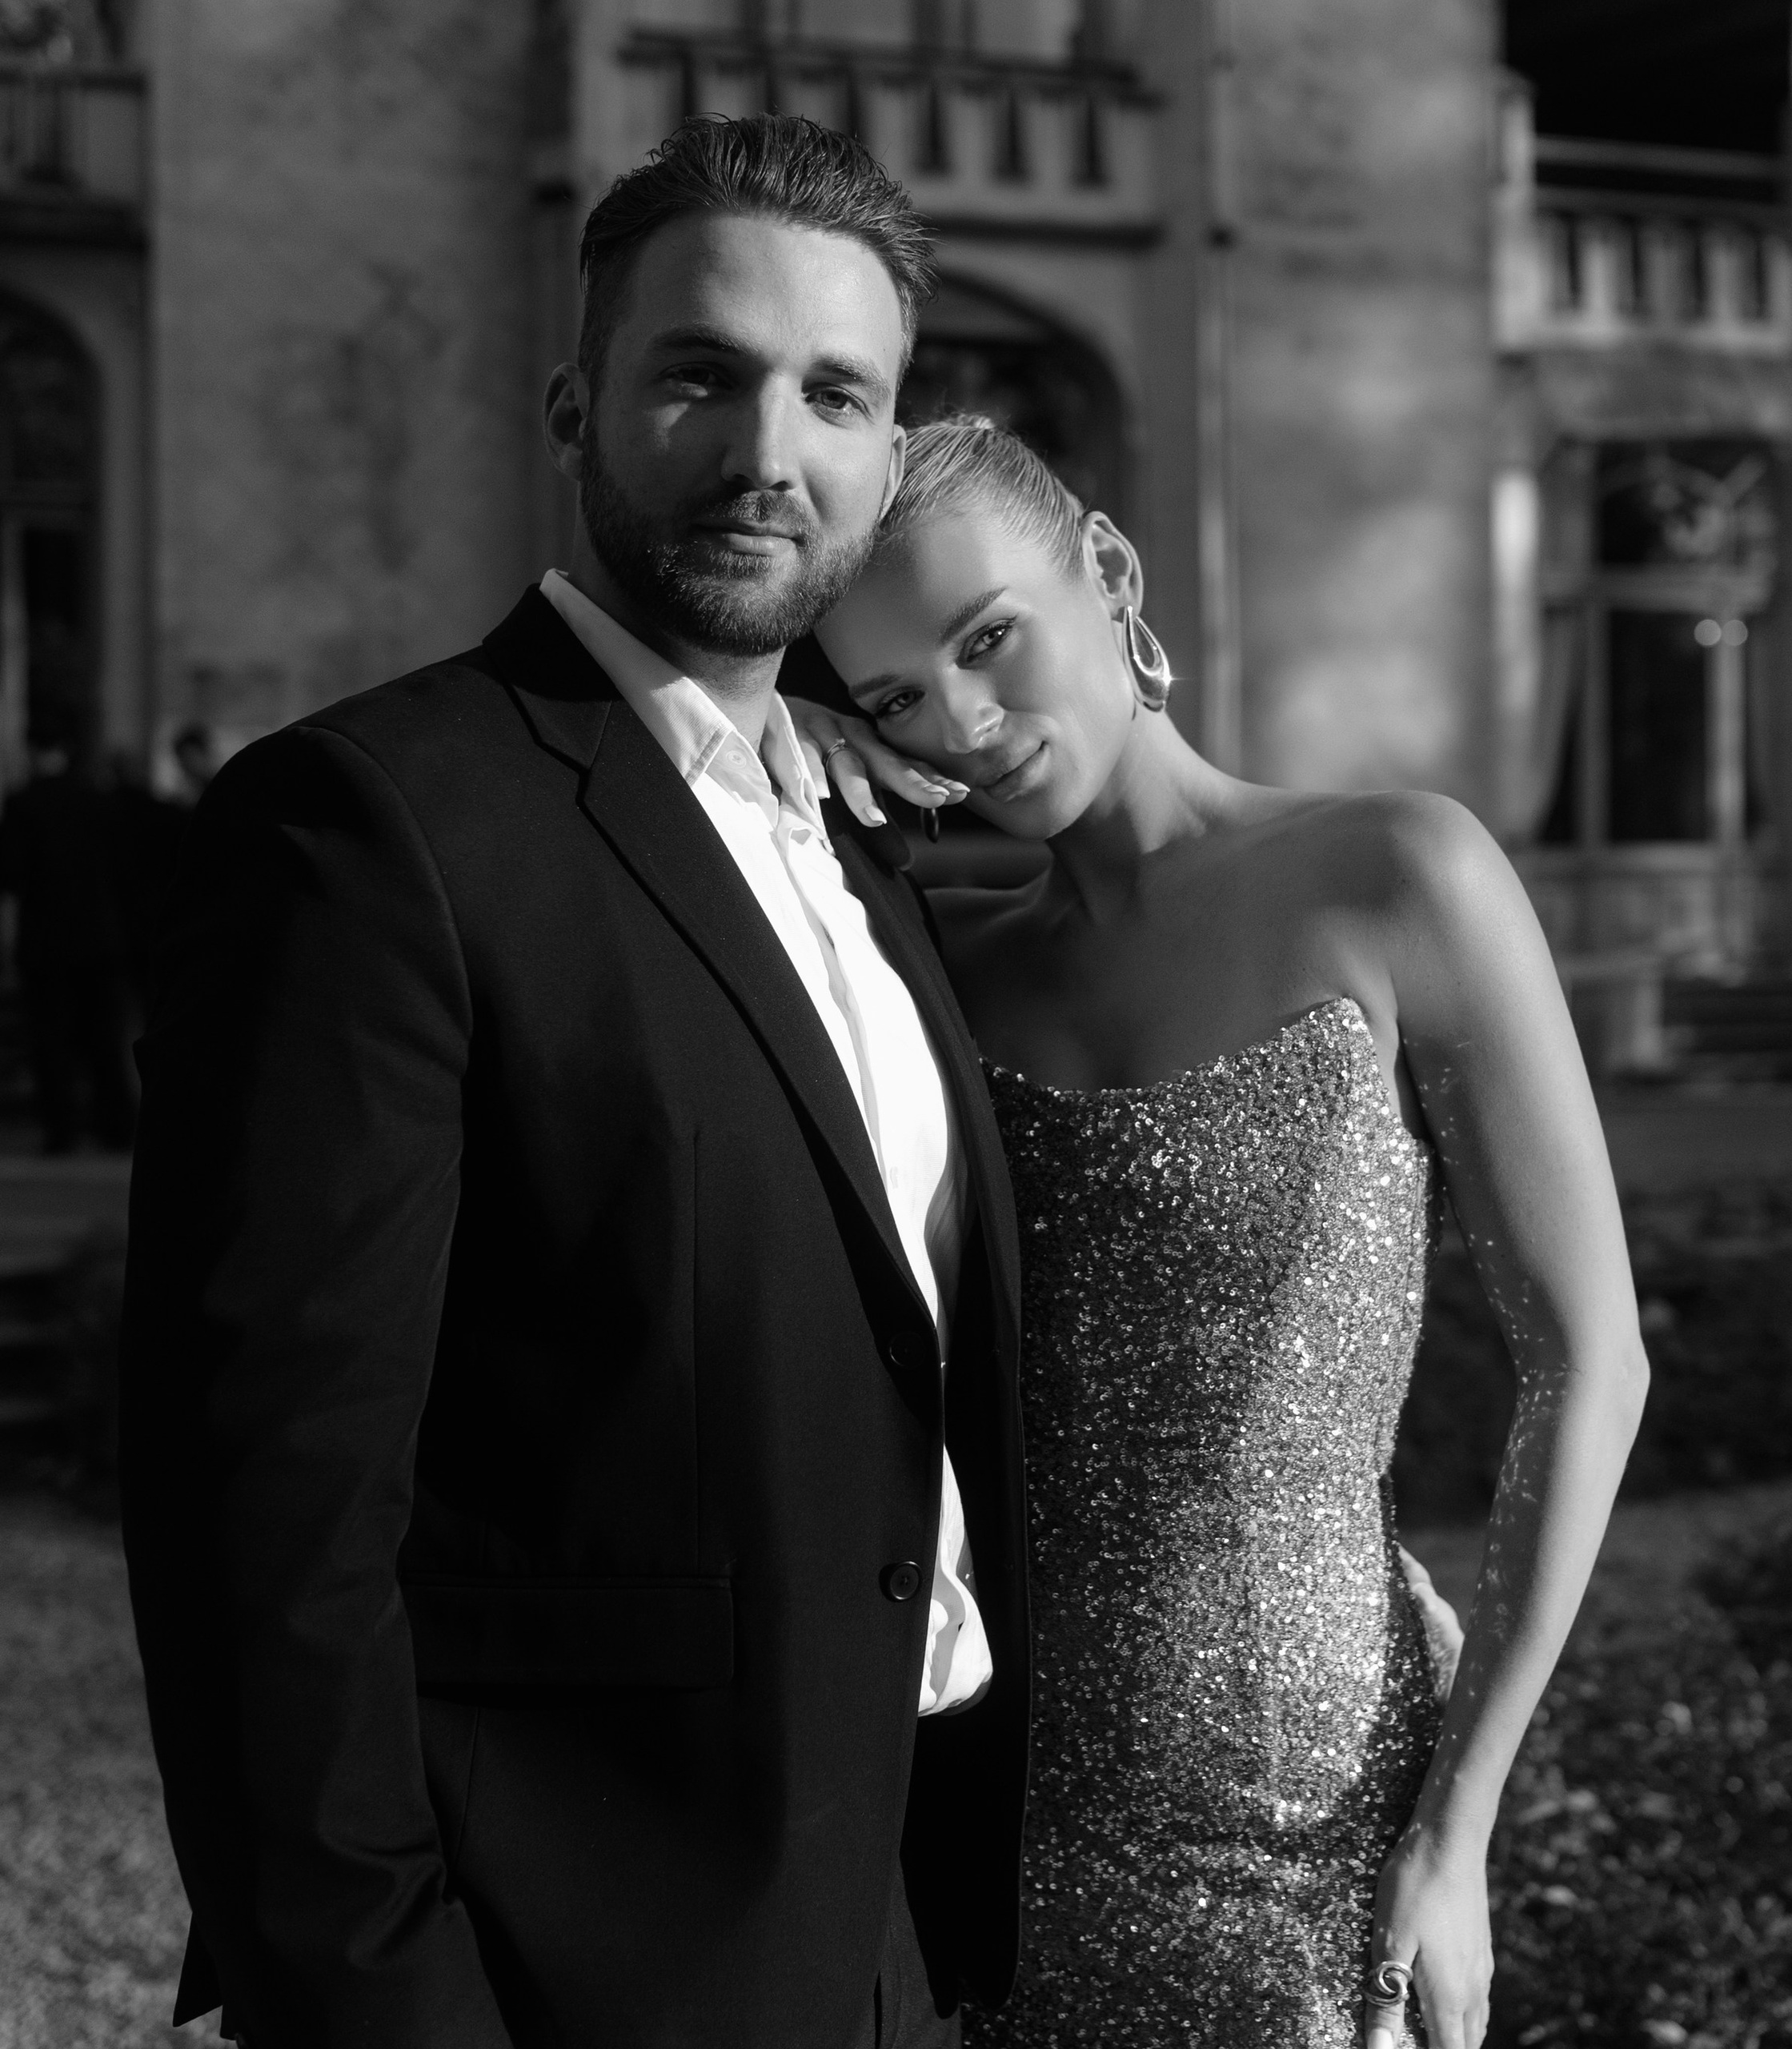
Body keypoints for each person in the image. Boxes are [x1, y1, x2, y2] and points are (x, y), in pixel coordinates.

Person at [120, 120, 1028, 2049]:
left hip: (889, 1932)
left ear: (887, 450)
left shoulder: (859, 848)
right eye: (698, 372)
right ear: (573, 402)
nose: (766, 452)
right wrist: (379, 2005)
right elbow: (264, 1519)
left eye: (834, 396)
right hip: (574, 1959)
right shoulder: (371, 824)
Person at [792, 416, 1650, 2049]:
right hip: (995, 1785)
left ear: (1106, 570)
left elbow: (1585, 1359)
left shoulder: (1396, 869)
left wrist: (1457, 1828)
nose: (965, 722)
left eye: (987, 639)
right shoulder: (922, 959)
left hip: (1318, 1801)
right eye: (896, 695)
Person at [0, 731, 137, 1153]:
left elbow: (12, 874)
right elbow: (123, 869)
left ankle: (62, 1131)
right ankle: (116, 1127)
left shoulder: (25, 803)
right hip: (100, 935)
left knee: (51, 1041)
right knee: (104, 1038)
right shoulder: (98, 801)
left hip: (47, 940)